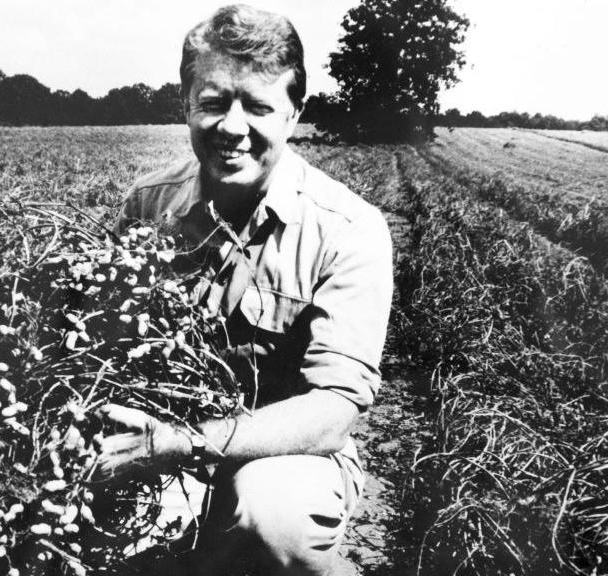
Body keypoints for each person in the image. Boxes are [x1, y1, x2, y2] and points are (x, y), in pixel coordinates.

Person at [96, 5, 393, 575]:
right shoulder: (146, 206)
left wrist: (183, 443)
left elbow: (331, 412)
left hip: (289, 454)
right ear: (186, 105)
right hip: (158, 441)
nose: (232, 127)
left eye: (257, 106)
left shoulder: (348, 228)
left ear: (293, 113)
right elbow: (105, 353)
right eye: (212, 103)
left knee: (272, 513)